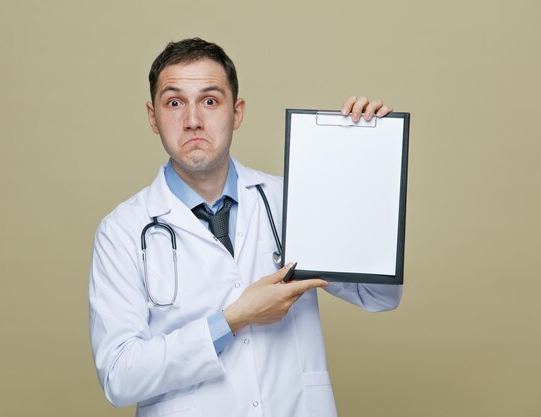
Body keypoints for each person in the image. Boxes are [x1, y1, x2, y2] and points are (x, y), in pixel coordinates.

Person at [89, 37, 402, 417]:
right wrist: (233, 319)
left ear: (236, 112)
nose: (192, 120)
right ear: (152, 117)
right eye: (174, 102)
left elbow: (380, 295)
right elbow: (121, 378)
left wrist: (367, 159)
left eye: (209, 100)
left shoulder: (294, 200)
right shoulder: (122, 230)